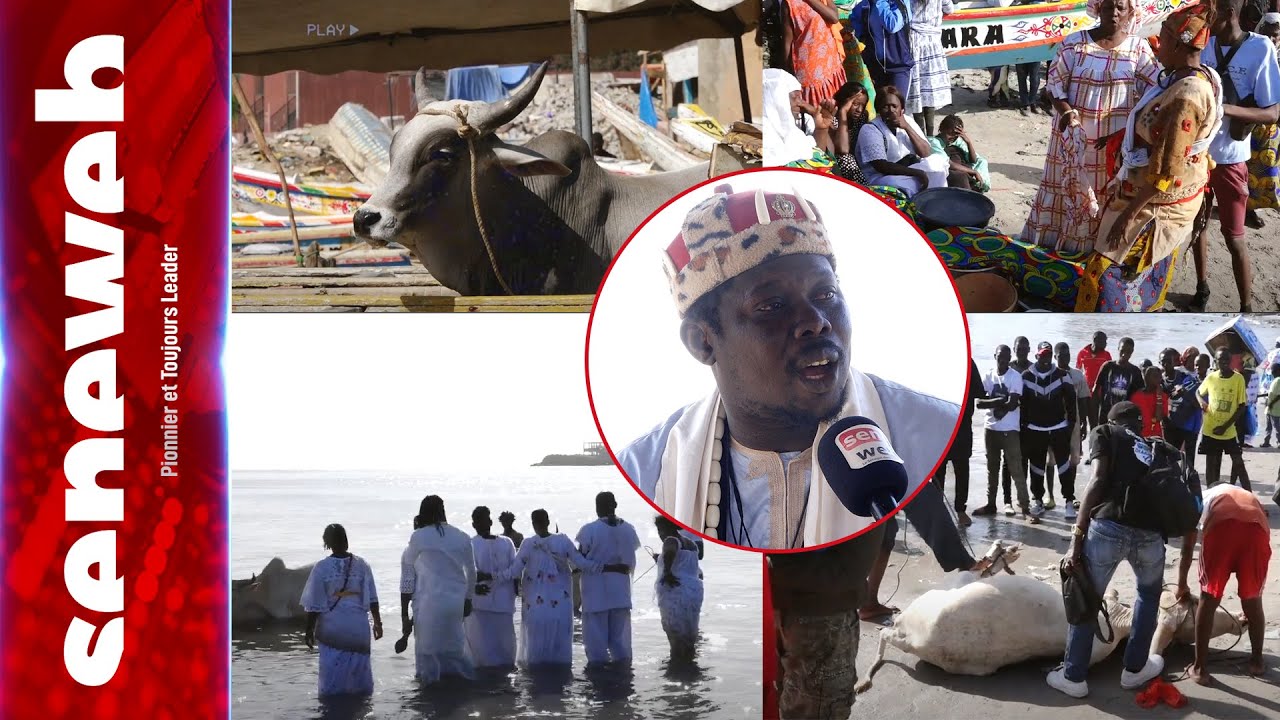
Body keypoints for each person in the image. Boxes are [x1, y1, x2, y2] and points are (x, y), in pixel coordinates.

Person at [619, 183, 960, 548]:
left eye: (825, 295)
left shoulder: (935, 434)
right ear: (702, 342)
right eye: (771, 306)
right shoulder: (645, 474)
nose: (816, 321)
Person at [1077, 4, 1224, 312]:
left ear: (1180, 44)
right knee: (1137, 278)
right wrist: (1118, 139)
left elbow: (1166, 171)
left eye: (1166, 36)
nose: (1159, 40)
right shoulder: (1186, 77)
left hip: (1156, 206)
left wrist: (1128, 216)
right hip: (1163, 195)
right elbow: (1155, 131)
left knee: (1101, 275)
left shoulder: (1187, 95)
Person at [1046, 402, 1168, 698]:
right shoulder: (1155, 447)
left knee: (1087, 597)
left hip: (1109, 528)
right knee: (1148, 596)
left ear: (1113, 421)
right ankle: (1135, 670)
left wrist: (1077, 536)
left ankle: (1074, 676)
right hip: (1151, 535)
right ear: (1139, 425)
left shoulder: (1106, 432)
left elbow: (1098, 479)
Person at [1023, 0, 1160, 253]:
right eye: (1109, 7)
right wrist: (1066, 112)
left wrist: (1129, 131)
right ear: (1098, 9)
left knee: (1106, 196)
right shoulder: (1074, 43)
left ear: (1131, 12)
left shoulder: (1139, 49)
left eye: (1121, 7)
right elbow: (1054, 84)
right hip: (1073, 141)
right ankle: (1058, 251)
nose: (1115, 13)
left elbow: (1154, 94)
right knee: (1068, 190)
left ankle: (1094, 254)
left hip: (1113, 146)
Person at [1192, 0, 1280, 312]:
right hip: (1197, 156)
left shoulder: (1261, 48)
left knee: (1234, 237)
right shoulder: (1204, 44)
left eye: (1210, 12)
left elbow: (1272, 111)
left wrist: (1222, 108)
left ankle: (1246, 308)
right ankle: (1201, 290)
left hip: (1230, 157)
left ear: (1229, 13)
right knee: (1197, 227)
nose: (1204, 17)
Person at [481, 510, 629, 667]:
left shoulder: (528, 544)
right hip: (560, 606)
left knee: (536, 648)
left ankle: (537, 678)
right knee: (560, 645)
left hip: (535, 608)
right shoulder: (562, 541)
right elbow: (583, 564)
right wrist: (613, 568)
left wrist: (490, 576)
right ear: (548, 521)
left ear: (533, 524)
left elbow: (513, 572)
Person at [770, 528, 885, 719]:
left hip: (806, 605)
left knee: (797, 701)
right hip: (816, 613)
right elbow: (851, 568)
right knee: (808, 706)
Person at [1175, 481, 1270, 683]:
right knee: (1253, 599)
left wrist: (1181, 584)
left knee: (1208, 597)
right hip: (1257, 528)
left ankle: (1200, 668)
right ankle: (1257, 661)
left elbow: (1187, 547)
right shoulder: (1245, 493)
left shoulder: (1202, 496)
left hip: (1222, 525)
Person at [400, 496, 476, 683]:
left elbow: (408, 575)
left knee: (428, 654)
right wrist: (468, 599)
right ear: (443, 510)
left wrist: (404, 614)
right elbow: (472, 573)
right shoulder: (462, 536)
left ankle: (431, 695)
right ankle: (460, 693)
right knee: (454, 648)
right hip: (454, 604)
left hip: (428, 605)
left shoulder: (419, 536)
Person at [301, 524, 381, 696]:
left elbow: (314, 605)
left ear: (327, 543)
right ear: (346, 540)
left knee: (333, 678)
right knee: (359, 677)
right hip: (358, 629)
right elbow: (373, 598)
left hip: (333, 630)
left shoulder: (321, 568)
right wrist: (378, 623)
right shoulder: (362, 565)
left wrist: (309, 630)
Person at [575, 492, 641, 666]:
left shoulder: (589, 530)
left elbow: (580, 561)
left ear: (597, 508)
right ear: (615, 505)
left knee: (595, 646)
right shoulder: (629, 529)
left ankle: (599, 684)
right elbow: (630, 560)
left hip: (596, 596)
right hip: (621, 595)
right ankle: (623, 682)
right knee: (621, 646)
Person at [856, 85, 950, 196]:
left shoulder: (907, 121)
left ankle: (934, 198)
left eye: (894, 106)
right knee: (898, 184)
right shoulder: (870, 129)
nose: (891, 110)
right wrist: (916, 173)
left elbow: (926, 153)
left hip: (908, 170)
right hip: (882, 177)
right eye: (886, 106)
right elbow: (881, 166)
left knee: (937, 162)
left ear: (901, 109)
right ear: (879, 109)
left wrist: (906, 127)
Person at [973, 345, 1032, 519]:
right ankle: (991, 504)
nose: (1003, 360)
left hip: (1009, 430)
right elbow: (978, 403)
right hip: (990, 429)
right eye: (1000, 357)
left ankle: (1025, 507)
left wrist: (990, 402)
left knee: (1016, 469)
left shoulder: (1015, 377)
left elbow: (1013, 404)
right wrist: (999, 401)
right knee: (992, 469)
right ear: (995, 356)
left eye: (1007, 357)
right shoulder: (988, 376)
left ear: (1010, 357)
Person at [1021, 342, 1079, 519]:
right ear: (1036, 356)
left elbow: (1071, 401)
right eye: (1042, 355)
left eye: (1048, 355)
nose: (1045, 358)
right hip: (1035, 429)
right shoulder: (1026, 376)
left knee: (1064, 466)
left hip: (1058, 428)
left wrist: (1070, 424)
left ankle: (1069, 502)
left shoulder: (1063, 376)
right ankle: (1037, 501)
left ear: (1051, 356)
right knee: (1037, 467)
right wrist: (1024, 426)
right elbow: (1022, 405)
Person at [933, 358, 984, 525]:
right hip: (939, 427)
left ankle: (961, 510)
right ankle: (938, 511)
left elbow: (979, 393)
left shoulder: (969, 363)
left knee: (962, 470)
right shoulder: (936, 362)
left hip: (962, 428)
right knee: (937, 472)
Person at [467, 506, 517, 669]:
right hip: (480, 605)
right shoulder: (471, 544)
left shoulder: (506, 542)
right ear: (473, 525)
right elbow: (467, 571)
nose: (483, 523)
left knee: (505, 646)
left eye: (486, 518)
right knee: (480, 648)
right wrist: (475, 586)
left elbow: (515, 569)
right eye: (478, 521)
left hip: (503, 604)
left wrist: (492, 577)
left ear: (490, 521)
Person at [1244, 12, 1280, 229]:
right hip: (1250, 120)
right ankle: (1246, 210)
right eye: (1268, 34)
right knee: (1247, 169)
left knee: (1267, 168)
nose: (1272, 39)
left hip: (1273, 124)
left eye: (1276, 36)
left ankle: (1252, 207)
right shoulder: (1253, 52)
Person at [1198, 347, 1251, 489]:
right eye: (1221, 359)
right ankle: (1211, 496)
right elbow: (1198, 392)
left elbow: (1241, 406)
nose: (1224, 362)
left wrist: (1225, 426)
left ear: (1231, 361)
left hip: (1228, 430)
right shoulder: (1211, 378)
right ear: (1215, 362)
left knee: (1238, 463)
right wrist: (1202, 401)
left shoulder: (1238, 379)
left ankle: (1250, 496)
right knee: (1211, 465)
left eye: (1227, 359)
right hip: (1211, 429)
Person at [764, 68, 839, 168]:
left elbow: (821, 161)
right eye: (795, 97)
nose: (800, 103)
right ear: (775, 99)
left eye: (800, 97)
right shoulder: (764, 138)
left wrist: (822, 129)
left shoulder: (794, 135)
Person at [654, 515, 704, 661]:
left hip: (676, 592)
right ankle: (689, 666)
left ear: (666, 528)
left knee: (674, 635)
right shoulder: (691, 543)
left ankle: (676, 670)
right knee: (689, 634)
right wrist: (660, 559)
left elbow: (670, 552)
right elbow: (686, 563)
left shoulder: (670, 540)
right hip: (693, 592)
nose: (659, 534)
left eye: (660, 529)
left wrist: (667, 572)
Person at [781, 0, 848, 106]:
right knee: (818, 114)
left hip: (831, 64)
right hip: (810, 70)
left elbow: (834, 17)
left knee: (837, 108)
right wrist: (786, 75)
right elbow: (787, 42)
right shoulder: (789, 4)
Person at [906, 0, 953, 136]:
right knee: (930, 91)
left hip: (913, 41)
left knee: (917, 90)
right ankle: (930, 135)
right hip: (933, 43)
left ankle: (920, 134)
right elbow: (949, 9)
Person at [854, 0, 915, 98]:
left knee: (895, 107)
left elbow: (892, 25)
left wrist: (880, 2)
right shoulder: (866, 4)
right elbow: (856, 24)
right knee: (880, 108)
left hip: (898, 66)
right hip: (876, 67)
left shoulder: (902, 2)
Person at [1161, 347, 1204, 472]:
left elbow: (1197, 401)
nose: (1165, 365)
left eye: (1169, 361)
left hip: (1187, 424)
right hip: (1168, 424)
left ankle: (1190, 484)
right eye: (1162, 362)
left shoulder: (1185, 378)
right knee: (1169, 459)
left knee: (1188, 460)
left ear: (1175, 361)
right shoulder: (1159, 379)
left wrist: (1184, 391)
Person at [929, 114, 989, 192]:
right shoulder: (934, 142)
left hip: (959, 165)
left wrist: (968, 142)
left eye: (955, 136)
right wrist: (973, 172)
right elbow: (949, 164)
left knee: (982, 161)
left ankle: (980, 186)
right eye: (949, 134)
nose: (952, 138)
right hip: (944, 169)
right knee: (961, 176)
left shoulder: (957, 141)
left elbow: (973, 160)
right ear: (941, 129)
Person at [1093, 337, 1144, 425]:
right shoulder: (1107, 367)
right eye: (1122, 350)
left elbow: (1140, 396)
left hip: (1124, 417)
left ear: (1132, 352)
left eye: (1128, 352)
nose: (1124, 354)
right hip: (1105, 414)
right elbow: (1095, 389)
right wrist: (1094, 415)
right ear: (1118, 349)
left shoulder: (1135, 371)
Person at [831, 81, 873, 183]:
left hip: (859, 161)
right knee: (846, 158)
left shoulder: (862, 117)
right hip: (837, 166)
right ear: (844, 101)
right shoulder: (832, 118)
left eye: (862, 105)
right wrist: (843, 112)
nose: (859, 109)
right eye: (855, 104)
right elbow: (843, 149)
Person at [1077, 331, 1112, 430]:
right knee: (1092, 421)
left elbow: (1110, 374)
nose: (1106, 344)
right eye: (1104, 341)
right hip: (1088, 392)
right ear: (1095, 340)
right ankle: (1092, 442)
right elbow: (1078, 371)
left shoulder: (1106, 355)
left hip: (1102, 391)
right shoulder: (1082, 353)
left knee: (1103, 420)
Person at [1131, 366, 1169, 438]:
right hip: (1140, 435)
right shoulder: (1136, 396)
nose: (1158, 380)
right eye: (1155, 377)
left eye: (1160, 377)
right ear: (1146, 378)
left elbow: (1158, 417)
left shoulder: (1163, 396)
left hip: (1156, 436)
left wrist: (1159, 397)